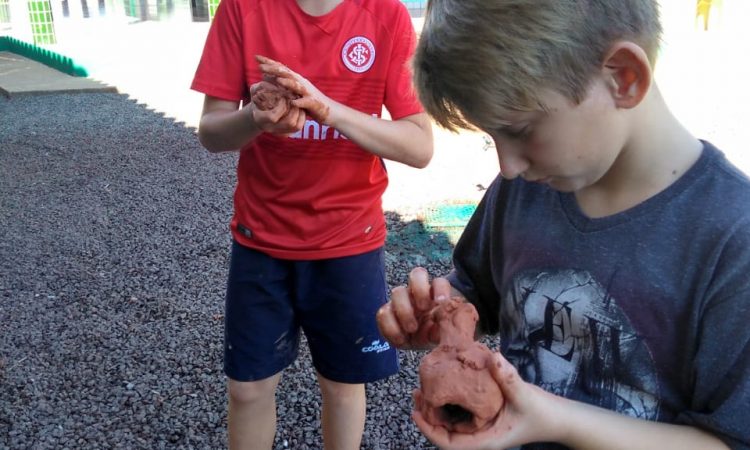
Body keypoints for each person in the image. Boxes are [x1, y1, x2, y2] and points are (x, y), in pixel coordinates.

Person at [376, 0, 750, 449]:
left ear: (622, 77)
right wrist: (437, 310)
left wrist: (555, 421)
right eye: (490, 137)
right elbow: (477, 291)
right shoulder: (528, 187)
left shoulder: (733, 239)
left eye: (519, 130)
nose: (508, 165)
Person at [190, 0, 434, 448]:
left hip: (349, 241)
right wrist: (254, 119)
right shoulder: (241, 10)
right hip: (260, 236)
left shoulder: (386, 14)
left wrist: (327, 109)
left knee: (342, 385)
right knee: (247, 389)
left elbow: (419, 145)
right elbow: (211, 131)